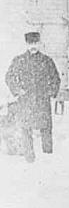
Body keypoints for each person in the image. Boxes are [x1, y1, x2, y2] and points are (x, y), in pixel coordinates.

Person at [5, 31, 61, 162]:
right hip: (26, 100)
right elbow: (9, 77)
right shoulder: (19, 60)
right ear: (26, 44)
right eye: (30, 43)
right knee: (26, 129)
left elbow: (56, 79)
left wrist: (51, 91)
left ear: (39, 43)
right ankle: (29, 159)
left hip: (42, 100)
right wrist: (18, 90)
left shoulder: (47, 61)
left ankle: (47, 158)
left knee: (46, 129)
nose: (33, 46)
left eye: (35, 43)